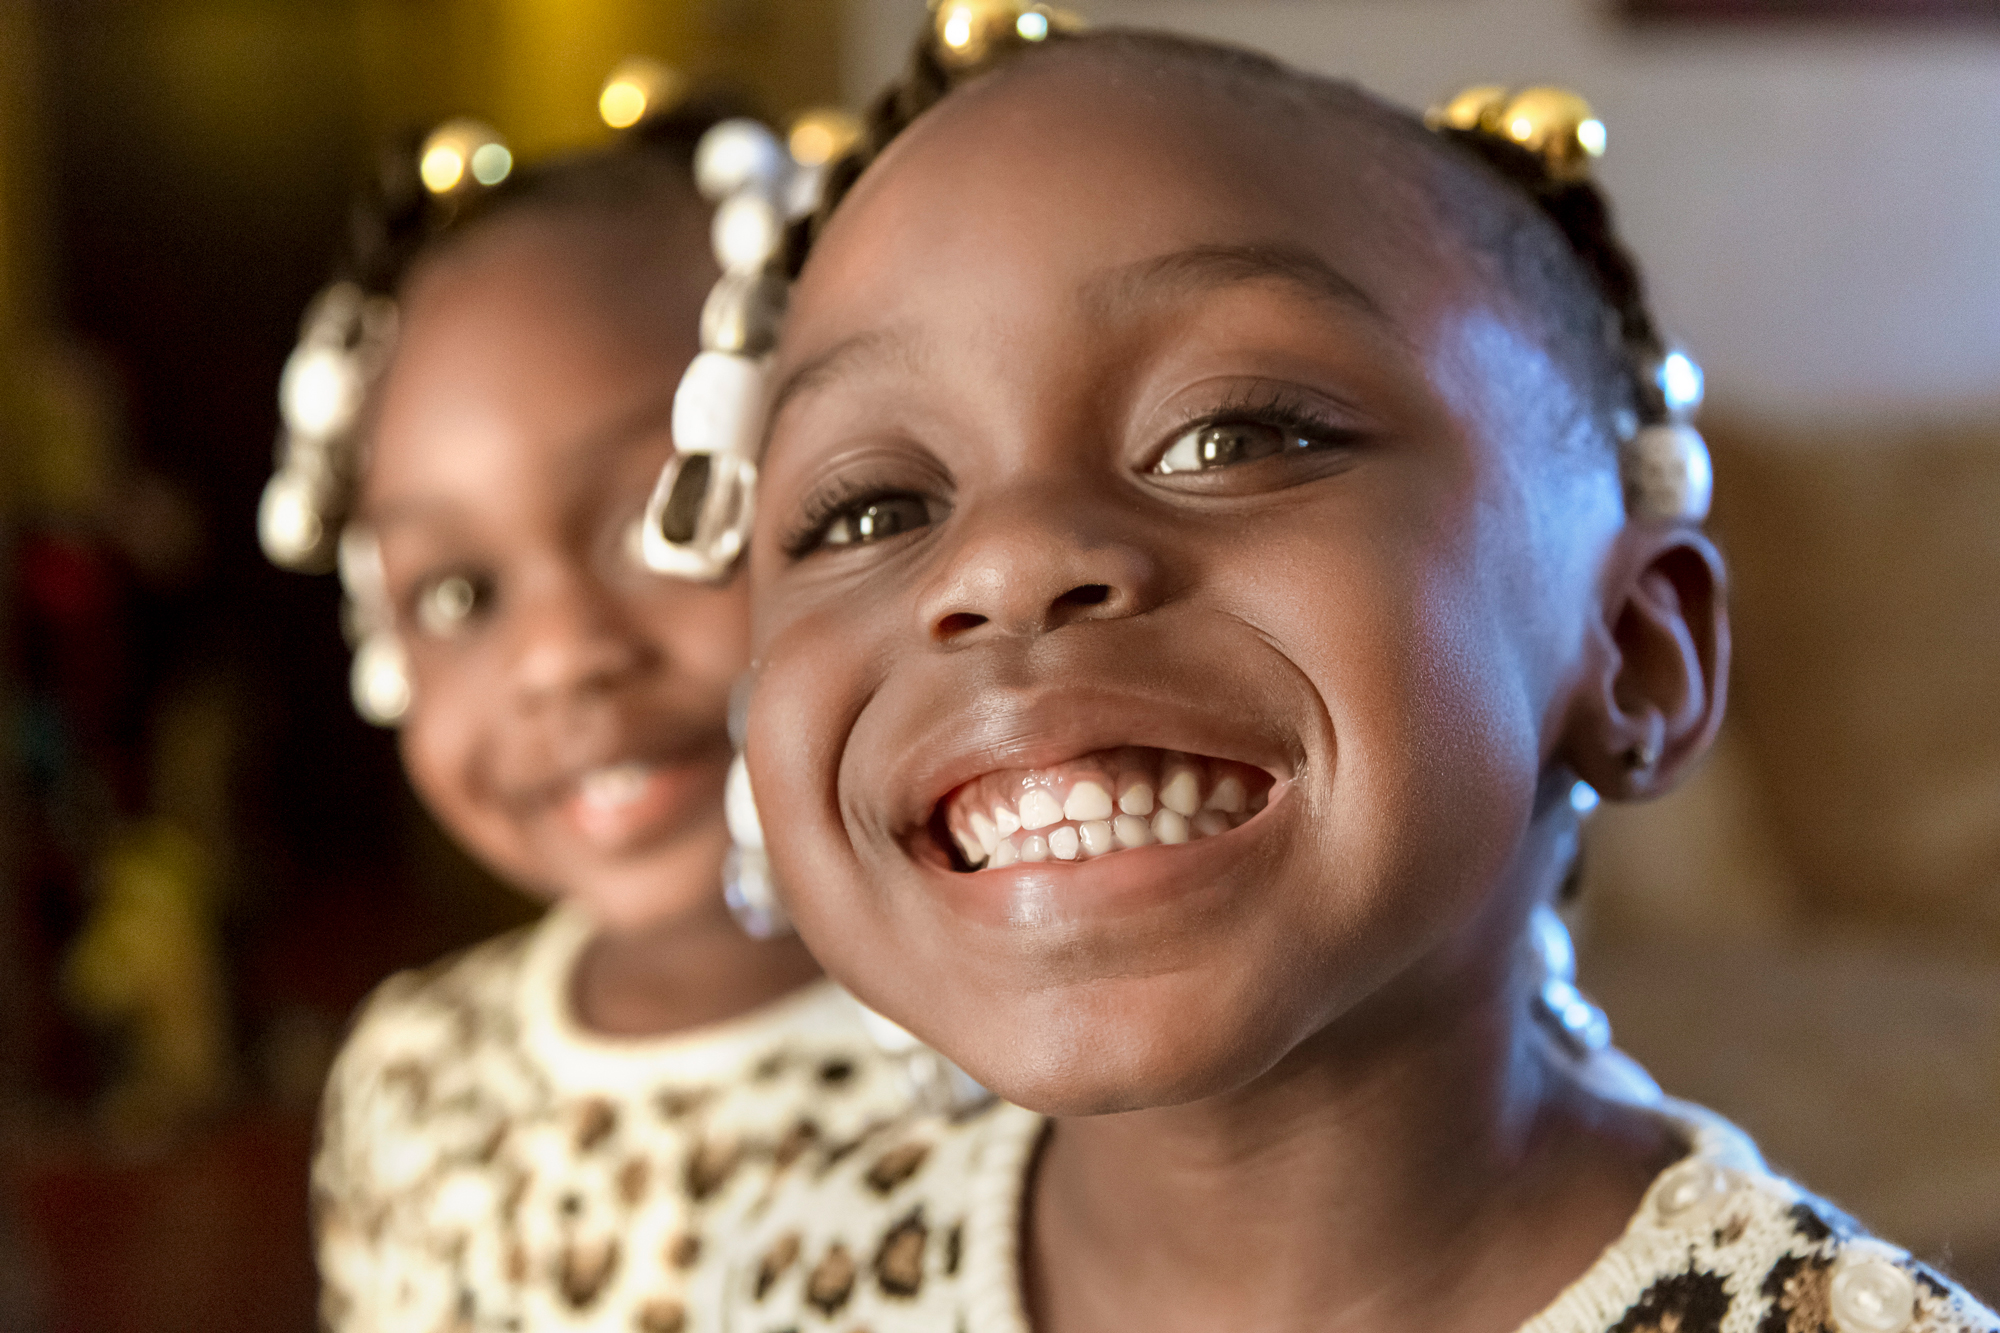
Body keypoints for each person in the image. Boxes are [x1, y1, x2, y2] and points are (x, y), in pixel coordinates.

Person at [639, 12, 2000, 1333]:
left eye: (1233, 435)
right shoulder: (793, 1264)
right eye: (870, 510)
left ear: (1638, 651)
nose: (1003, 562)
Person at [262, 89, 913, 1333]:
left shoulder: (1047, 1058)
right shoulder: (411, 1075)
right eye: (459, 591)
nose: (563, 657)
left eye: (655, 521)